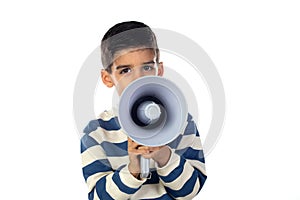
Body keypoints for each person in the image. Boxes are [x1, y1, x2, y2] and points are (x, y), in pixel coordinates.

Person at [80, 21, 207, 200]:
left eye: (147, 67)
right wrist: (133, 171)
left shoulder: (182, 122)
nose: (138, 78)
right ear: (107, 78)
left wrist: (164, 156)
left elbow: (190, 191)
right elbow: (98, 197)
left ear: (159, 70)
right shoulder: (96, 133)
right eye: (125, 71)